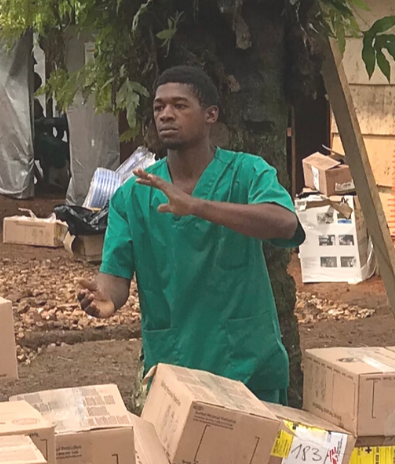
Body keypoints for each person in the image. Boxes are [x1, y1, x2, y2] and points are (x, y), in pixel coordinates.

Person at [77, 65, 305, 405]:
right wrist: (105, 300)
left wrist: (197, 206)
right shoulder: (132, 195)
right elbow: (115, 277)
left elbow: (284, 222)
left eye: (179, 105)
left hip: (245, 365)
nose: (166, 115)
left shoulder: (246, 173)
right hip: (174, 369)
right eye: (158, 107)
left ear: (211, 114)